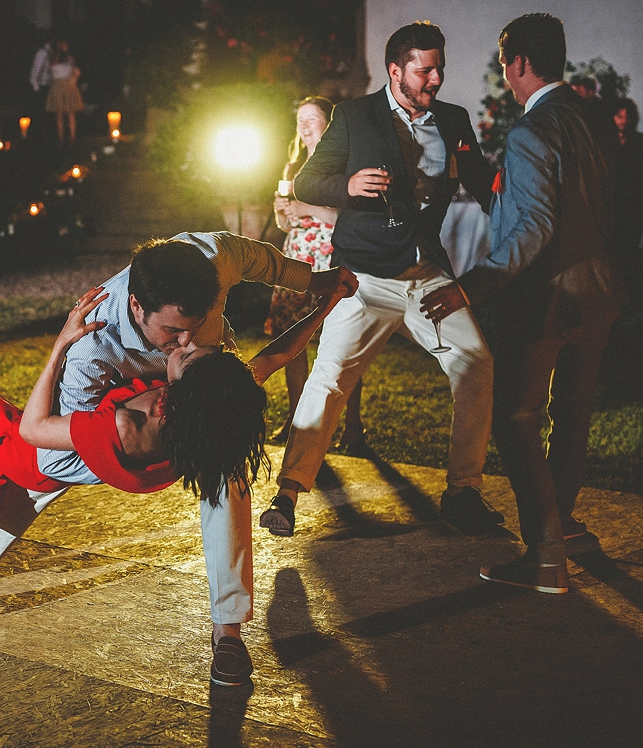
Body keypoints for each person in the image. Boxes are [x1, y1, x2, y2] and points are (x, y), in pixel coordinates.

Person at [0, 233, 357, 686]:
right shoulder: (93, 346)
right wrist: (129, 440)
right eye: (174, 330)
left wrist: (320, 286)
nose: (187, 340)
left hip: (202, 390)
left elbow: (271, 271)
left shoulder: (216, 258)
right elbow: (54, 457)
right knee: (40, 474)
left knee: (224, 461)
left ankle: (228, 629)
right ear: (137, 307)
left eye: (199, 324)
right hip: (128, 420)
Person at [263, 22, 499, 539]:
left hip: (426, 274)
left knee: (477, 364)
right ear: (396, 71)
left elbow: (482, 184)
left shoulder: (454, 120)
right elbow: (307, 180)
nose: (435, 77)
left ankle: (463, 493)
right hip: (365, 278)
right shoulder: (354, 116)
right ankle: (288, 491)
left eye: (439, 67)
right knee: (330, 378)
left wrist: (518, 218)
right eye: (424, 69)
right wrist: (345, 185)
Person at [421, 14, 623, 594]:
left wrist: (471, 286)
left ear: (518, 64)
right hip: (601, 292)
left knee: (516, 416)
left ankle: (544, 556)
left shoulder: (532, 131)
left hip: (549, 298)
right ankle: (560, 526)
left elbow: (533, 227)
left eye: (506, 66)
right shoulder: (595, 122)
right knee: (573, 417)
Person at [269, 96, 367, 453]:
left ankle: (352, 428)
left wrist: (304, 206)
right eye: (300, 119)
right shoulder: (293, 164)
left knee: (343, 343)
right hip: (297, 257)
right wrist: (283, 213)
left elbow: (343, 218)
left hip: (332, 255)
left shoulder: (343, 165)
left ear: (329, 125)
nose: (304, 125)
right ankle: (296, 419)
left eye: (312, 118)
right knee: (292, 342)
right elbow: (286, 222)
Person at [610, 98, 643, 309]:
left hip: (633, 204)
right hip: (611, 203)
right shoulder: (605, 141)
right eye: (619, 116)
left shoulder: (639, 142)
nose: (623, 121)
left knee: (629, 249)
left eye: (627, 117)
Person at [45, 40, 83, 146]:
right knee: (59, 114)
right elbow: (50, 70)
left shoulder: (70, 58)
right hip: (57, 86)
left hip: (68, 86)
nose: (62, 47)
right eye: (60, 45)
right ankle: (60, 138)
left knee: (71, 113)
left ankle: (72, 138)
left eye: (64, 45)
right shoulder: (53, 58)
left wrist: (73, 78)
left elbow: (76, 71)